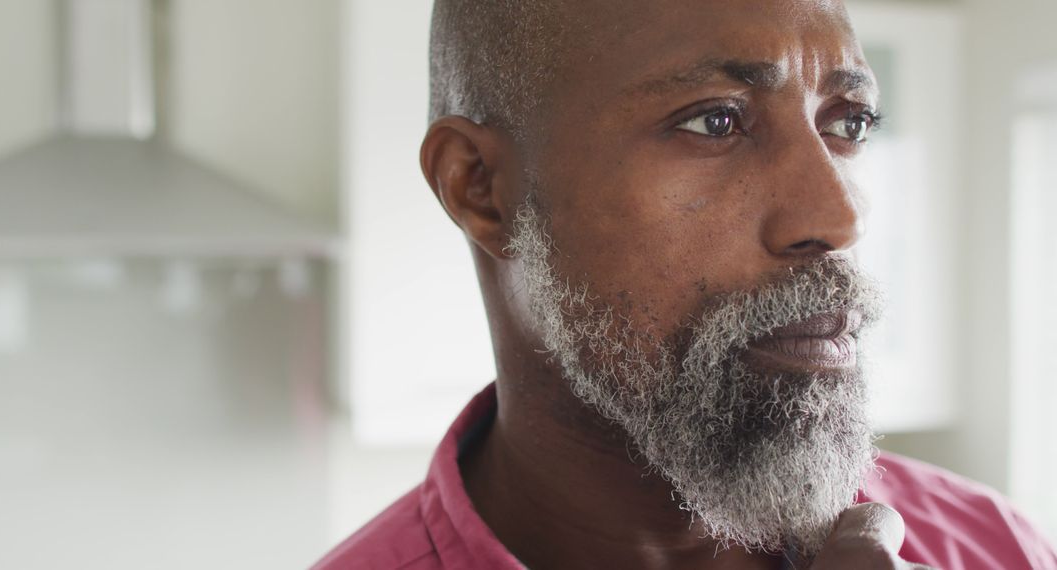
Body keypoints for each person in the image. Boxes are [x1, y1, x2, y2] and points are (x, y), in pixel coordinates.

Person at [314, 0, 1057, 568]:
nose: (838, 217)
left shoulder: (998, 546)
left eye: (850, 123)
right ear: (480, 188)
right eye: (715, 122)